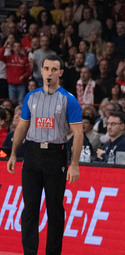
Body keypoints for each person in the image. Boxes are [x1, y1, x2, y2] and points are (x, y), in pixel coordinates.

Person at [6, 55, 83, 255]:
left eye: (54, 69)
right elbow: (22, 126)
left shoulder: (69, 99)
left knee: (55, 210)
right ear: (41, 71)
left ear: (60, 73)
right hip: (32, 154)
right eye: (46, 68)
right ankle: (29, 252)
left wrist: (74, 164)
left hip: (55, 156)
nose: (50, 73)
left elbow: (78, 133)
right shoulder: (30, 97)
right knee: (29, 208)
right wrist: (14, 153)